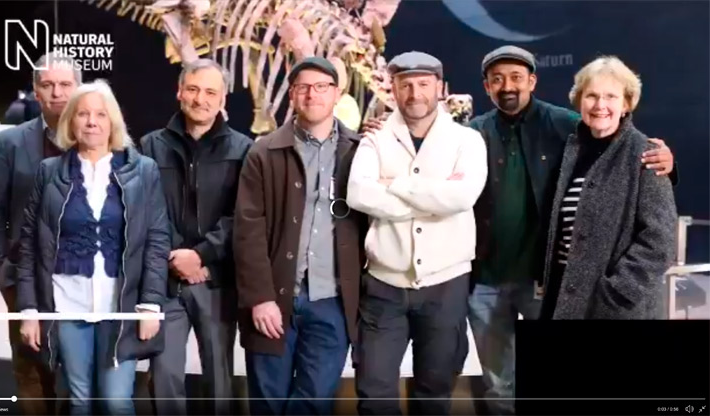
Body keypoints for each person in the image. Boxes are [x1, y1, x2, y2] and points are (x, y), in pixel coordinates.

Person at [359, 45, 677, 416]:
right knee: (498, 383)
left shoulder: (568, 127)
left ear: (533, 81)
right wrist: (377, 130)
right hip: (487, 280)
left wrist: (667, 163)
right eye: (497, 79)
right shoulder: (471, 134)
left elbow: (625, 158)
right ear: (486, 87)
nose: (507, 86)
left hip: (547, 283)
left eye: (516, 77)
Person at [15, 79, 170, 415]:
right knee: (80, 400)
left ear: (113, 121)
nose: (91, 122)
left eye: (100, 114)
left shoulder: (143, 172)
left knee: (116, 401)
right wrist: (29, 310)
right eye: (83, 114)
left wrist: (150, 304)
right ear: (71, 121)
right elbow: (29, 246)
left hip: (122, 306)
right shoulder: (48, 173)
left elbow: (157, 240)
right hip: (67, 304)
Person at [347, 51, 488, 416]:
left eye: (423, 84)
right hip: (383, 286)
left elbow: (462, 197)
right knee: (374, 393)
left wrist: (393, 184)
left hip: (446, 284)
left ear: (440, 88)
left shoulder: (467, 140)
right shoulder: (374, 138)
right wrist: (433, 199)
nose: (414, 94)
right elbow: (359, 194)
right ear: (392, 89)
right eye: (405, 85)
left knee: (434, 392)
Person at [233, 56, 367, 415]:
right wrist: (260, 298)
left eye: (322, 87)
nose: (312, 94)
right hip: (274, 299)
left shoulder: (361, 152)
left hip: (332, 301)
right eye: (303, 87)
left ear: (337, 93)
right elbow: (248, 230)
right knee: (268, 401)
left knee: (315, 400)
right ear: (292, 94)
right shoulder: (263, 151)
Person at [139, 58, 253, 415]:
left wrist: (202, 255)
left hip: (216, 280)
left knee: (219, 379)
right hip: (165, 280)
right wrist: (177, 256)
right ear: (179, 92)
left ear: (222, 99)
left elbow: (242, 215)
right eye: (192, 89)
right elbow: (147, 208)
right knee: (164, 377)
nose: (200, 99)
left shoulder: (244, 150)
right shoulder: (149, 146)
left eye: (210, 92)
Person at [0, 52, 80, 415]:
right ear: (36, 92)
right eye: (48, 85)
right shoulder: (11, 142)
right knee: (30, 369)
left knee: (78, 373)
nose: (57, 92)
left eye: (65, 84)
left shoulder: (96, 136)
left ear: (78, 88)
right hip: (23, 278)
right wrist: (0, 270)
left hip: (81, 278)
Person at [540, 56, 677, 319]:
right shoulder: (570, 152)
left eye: (611, 96)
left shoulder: (646, 153)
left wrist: (618, 292)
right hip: (562, 296)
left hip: (614, 307)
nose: (600, 105)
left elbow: (660, 241)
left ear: (626, 104)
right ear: (580, 101)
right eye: (591, 96)